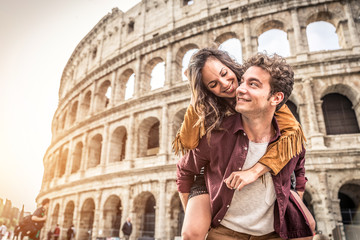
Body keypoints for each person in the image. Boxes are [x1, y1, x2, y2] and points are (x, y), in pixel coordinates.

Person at [173, 48, 309, 239]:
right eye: (213, 84)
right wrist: (196, 94)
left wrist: (256, 171)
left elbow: (294, 138)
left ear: (229, 65)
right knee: (192, 232)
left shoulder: (266, 94)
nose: (226, 84)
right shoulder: (209, 105)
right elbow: (187, 144)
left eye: (224, 73)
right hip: (211, 173)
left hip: (271, 172)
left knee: (307, 225)